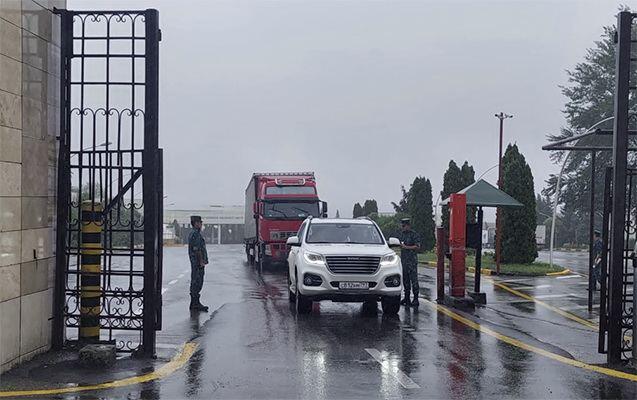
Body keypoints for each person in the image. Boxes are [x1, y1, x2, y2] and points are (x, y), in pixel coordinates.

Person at [399, 218, 421, 307]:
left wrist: (406, 247)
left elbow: (418, 247)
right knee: (405, 280)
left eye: (404, 226)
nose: (403, 227)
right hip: (404, 260)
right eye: (402, 226)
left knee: (414, 280)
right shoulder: (402, 235)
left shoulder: (414, 234)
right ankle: (406, 298)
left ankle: (415, 299)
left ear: (408, 225)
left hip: (412, 261)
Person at [188, 215, 209, 311]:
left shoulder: (194, 233)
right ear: (196, 223)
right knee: (197, 281)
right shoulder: (195, 234)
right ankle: (195, 304)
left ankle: (195, 303)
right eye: (200, 222)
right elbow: (197, 249)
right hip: (197, 262)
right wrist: (201, 261)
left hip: (195, 262)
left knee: (196, 281)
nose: (201, 224)